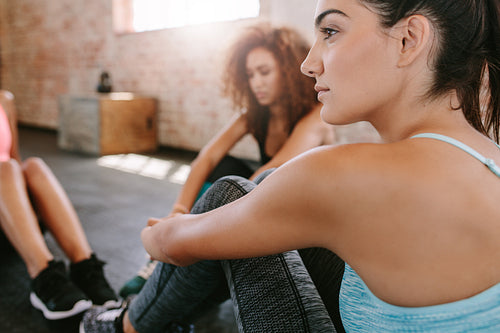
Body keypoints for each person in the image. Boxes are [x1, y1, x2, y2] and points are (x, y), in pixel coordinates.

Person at [82, 0, 500, 332]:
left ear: (409, 39)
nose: (309, 63)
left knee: (231, 194)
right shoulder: (490, 156)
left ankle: (122, 327)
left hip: (271, 200)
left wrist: (159, 234)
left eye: (331, 32)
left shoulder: (339, 173)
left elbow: (172, 243)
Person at [119, 21, 336, 298]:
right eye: (250, 74)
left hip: (306, 213)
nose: (256, 82)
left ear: (287, 71)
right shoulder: (254, 115)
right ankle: (163, 262)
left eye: (264, 72)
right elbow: (206, 159)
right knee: (224, 169)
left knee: (243, 186)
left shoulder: (315, 117)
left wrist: (195, 227)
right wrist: (179, 211)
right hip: (267, 196)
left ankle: (181, 256)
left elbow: (271, 171)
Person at [0, 90, 119, 320]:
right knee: (6, 169)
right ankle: (41, 273)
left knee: (32, 165)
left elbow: (14, 157)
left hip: (8, 209)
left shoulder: (5, 99)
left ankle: (84, 266)